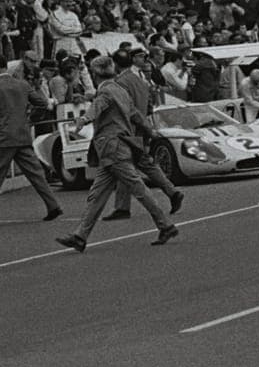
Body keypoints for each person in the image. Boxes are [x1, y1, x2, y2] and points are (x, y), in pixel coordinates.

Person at [55, 56, 178, 253]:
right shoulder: (120, 90)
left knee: (138, 188)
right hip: (118, 147)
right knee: (97, 194)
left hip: (112, 148)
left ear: (95, 74)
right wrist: (150, 130)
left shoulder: (105, 91)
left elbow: (97, 107)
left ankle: (166, 225)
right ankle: (80, 236)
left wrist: (82, 120)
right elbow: (135, 114)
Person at [103, 49, 184, 222]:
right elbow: (148, 106)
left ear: (115, 64)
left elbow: (125, 109)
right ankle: (124, 206)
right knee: (141, 164)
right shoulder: (140, 81)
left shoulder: (120, 83)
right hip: (141, 128)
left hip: (127, 129)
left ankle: (125, 207)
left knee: (125, 165)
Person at [0, 62, 63, 222]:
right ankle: (53, 204)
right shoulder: (22, 84)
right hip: (23, 135)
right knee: (36, 174)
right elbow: (42, 103)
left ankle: (53, 206)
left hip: (4, 137)